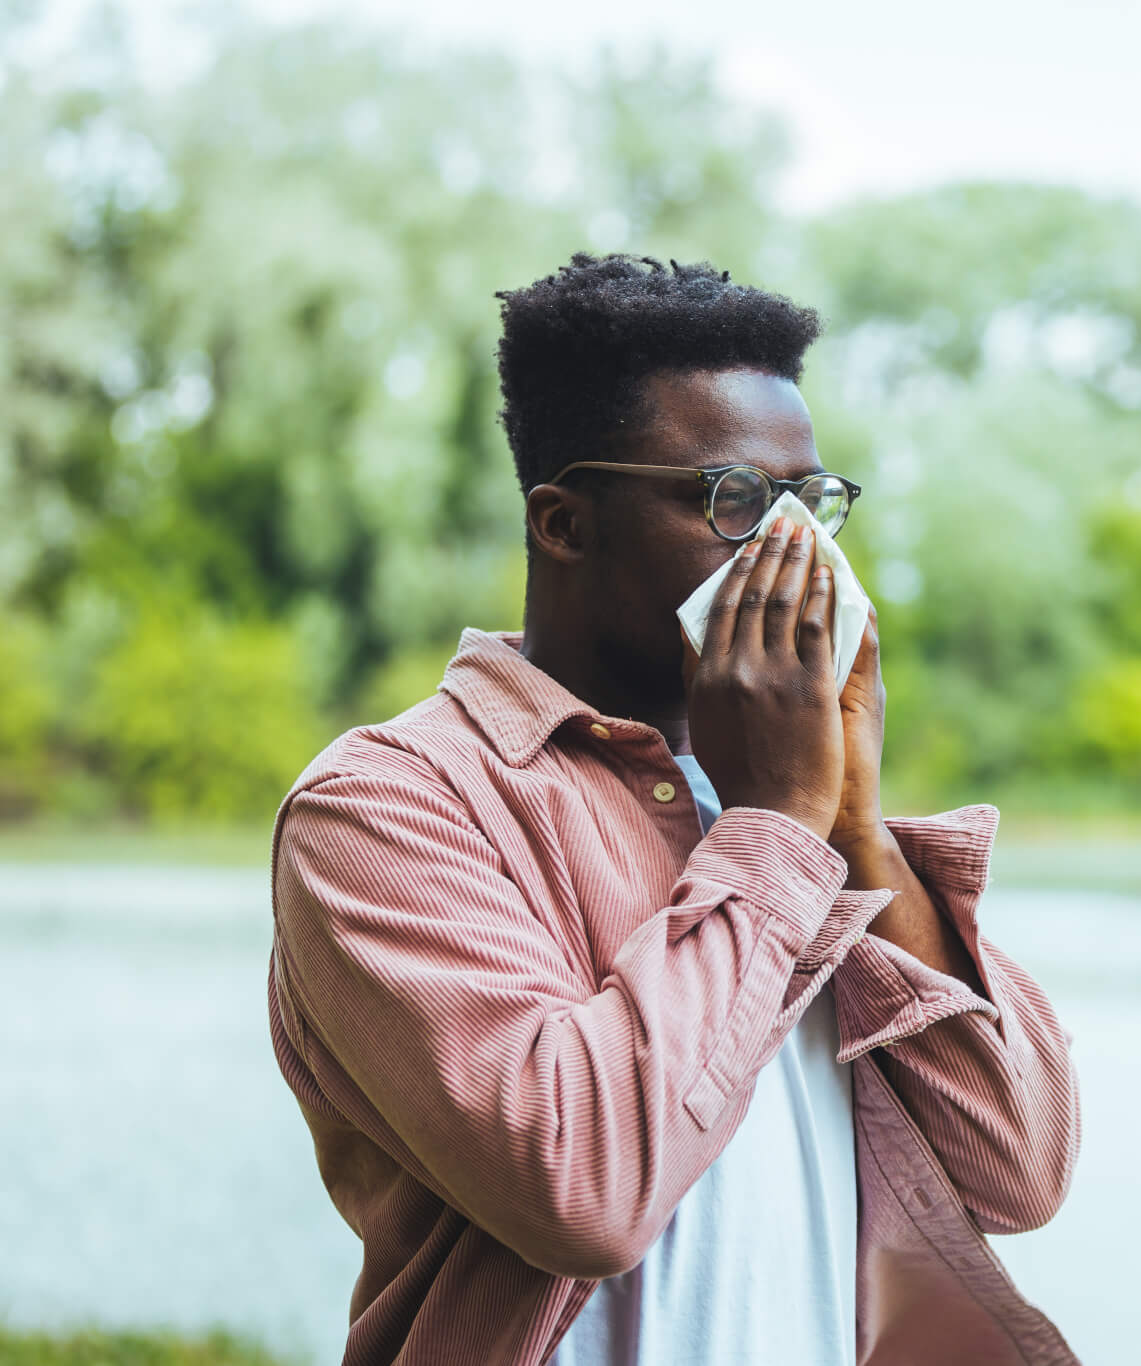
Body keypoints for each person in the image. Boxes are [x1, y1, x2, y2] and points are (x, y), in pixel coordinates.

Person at [266, 254, 1083, 1365]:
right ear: (562, 523)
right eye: (734, 499)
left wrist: (849, 824)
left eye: (808, 503)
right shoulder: (388, 808)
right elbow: (579, 1191)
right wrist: (780, 831)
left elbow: (1018, 1170)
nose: (793, 550)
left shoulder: (794, 801)